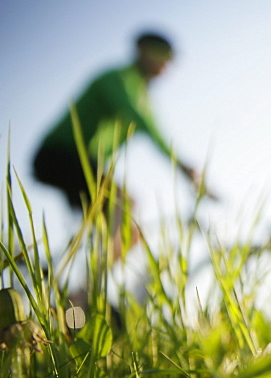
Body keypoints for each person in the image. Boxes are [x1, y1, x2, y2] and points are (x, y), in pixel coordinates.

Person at [32, 30, 213, 260]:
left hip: (86, 163)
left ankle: (76, 288)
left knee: (131, 232)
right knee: (123, 204)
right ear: (143, 52)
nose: (165, 64)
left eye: (169, 59)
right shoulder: (117, 79)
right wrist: (184, 167)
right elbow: (145, 124)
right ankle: (88, 292)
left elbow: (155, 130)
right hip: (58, 155)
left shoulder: (142, 94)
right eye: (161, 55)